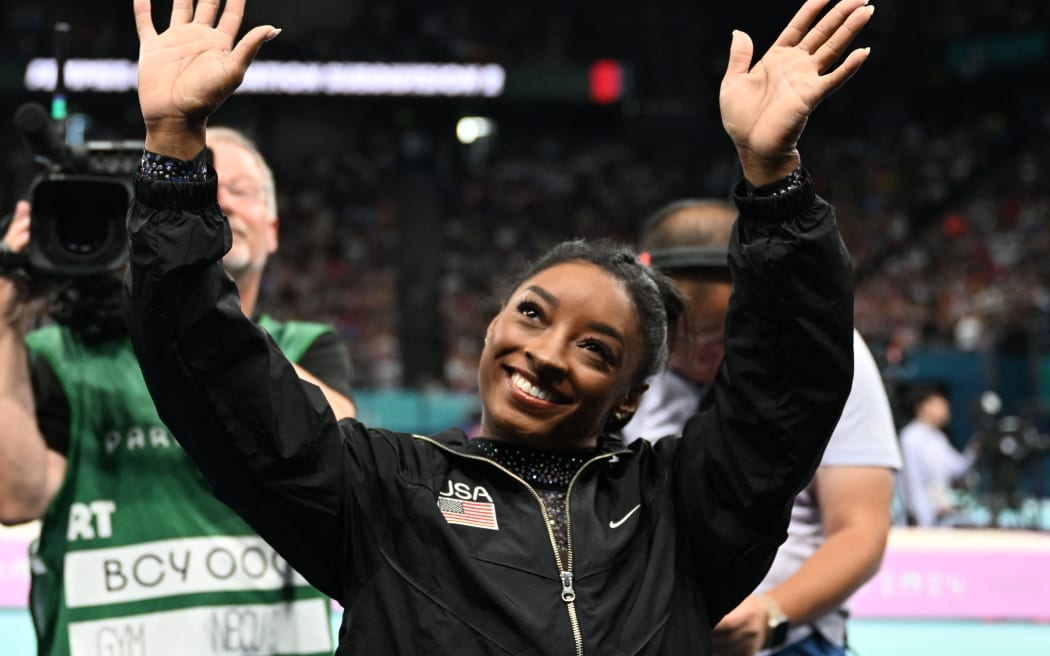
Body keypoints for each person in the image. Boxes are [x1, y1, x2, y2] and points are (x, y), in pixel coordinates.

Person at [124, 0, 871, 652]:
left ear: (628, 398)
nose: (546, 354)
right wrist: (172, 148)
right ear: (489, 332)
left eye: (595, 348)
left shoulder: (679, 507)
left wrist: (774, 181)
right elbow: (212, 374)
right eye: (532, 314)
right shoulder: (384, 491)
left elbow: (788, 386)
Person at [0, 126, 356, 655]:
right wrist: (3, 319)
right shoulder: (62, 356)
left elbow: (339, 450)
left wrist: (189, 298)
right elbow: (16, 498)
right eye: (200, 184)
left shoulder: (306, 347)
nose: (216, 198)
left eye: (239, 189)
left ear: (274, 229)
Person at [625, 199, 902, 655]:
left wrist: (770, 613)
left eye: (719, 337)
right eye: (676, 339)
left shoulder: (822, 355)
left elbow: (861, 530)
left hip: (782, 639)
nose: (696, 359)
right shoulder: (624, 350)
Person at [899, 385, 977, 527]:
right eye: (939, 404)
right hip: (918, 519)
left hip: (939, 516)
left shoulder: (938, 438)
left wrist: (976, 446)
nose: (946, 409)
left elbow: (958, 468)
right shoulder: (910, 438)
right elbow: (911, 482)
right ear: (922, 407)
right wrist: (919, 517)